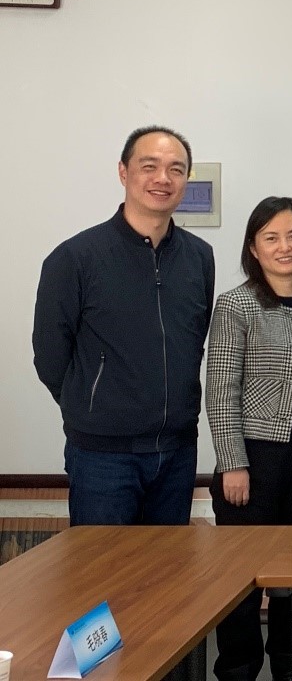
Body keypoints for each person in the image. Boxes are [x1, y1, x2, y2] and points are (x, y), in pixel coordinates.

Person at [33, 125, 214, 526]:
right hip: (102, 457)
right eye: (149, 166)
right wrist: (92, 407)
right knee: (102, 566)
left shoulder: (199, 257)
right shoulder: (75, 258)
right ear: (123, 172)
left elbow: (194, 341)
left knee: (168, 565)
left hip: (178, 452)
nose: (163, 178)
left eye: (176, 169)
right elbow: (49, 355)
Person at [205, 196, 292, 681]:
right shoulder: (236, 304)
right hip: (254, 463)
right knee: (241, 585)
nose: (285, 247)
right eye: (272, 238)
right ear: (254, 248)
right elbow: (221, 388)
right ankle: (238, 671)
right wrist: (232, 462)